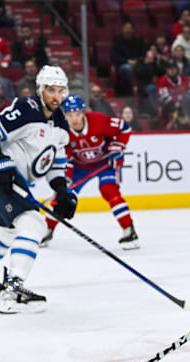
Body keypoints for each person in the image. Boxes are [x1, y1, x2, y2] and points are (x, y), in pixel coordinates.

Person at [0, 65, 75, 313]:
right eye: (50, 90)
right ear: (40, 90)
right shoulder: (28, 110)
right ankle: (14, 290)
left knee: (9, 229)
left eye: (60, 91)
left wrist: (61, 190)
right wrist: (0, 160)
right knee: (34, 224)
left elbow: (56, 161)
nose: (56, 96)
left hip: (10, 176)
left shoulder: (60, 124)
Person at [41, 95, 139, 250]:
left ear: (83, 112)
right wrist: (65, 182)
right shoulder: (62, 131)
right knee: (62, 196)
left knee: (109, 191)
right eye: (70, 115)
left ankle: (129, 230)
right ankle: (47, 231)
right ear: (64, 115)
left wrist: (117, 147)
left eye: (78, 114)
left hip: (104, 163)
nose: (74, 119)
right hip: (79, 167)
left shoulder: (98, 120)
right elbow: (66, 159)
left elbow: (124, 128)